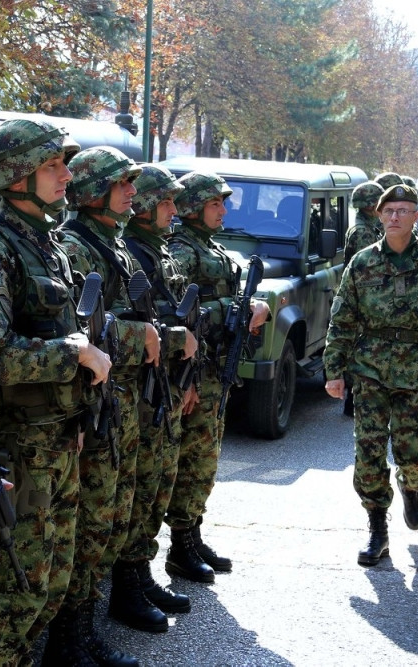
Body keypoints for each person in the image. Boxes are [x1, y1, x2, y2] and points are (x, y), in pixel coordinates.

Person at [0, 118, 112, 666]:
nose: (66, 175)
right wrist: (76, 354)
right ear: (17, 175)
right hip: (19, 446)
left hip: (57, 440)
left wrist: (78, 419)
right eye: (52, 165)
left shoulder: (46, 244)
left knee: (51, 583)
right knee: (13, 592)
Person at [48, 146, 159, 662]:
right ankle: (71, 639)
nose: (132, 192)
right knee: (89, 524)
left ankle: (87, 629)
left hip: (115, 400)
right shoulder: (76, 244)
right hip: (88, 405)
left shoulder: (110, 243)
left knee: (108, 516)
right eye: (122, 184)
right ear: (96, 192)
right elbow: (86, 329)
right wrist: (147, 336)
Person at [323, 184, 418, 567]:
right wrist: (334, 370)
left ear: (416, 216)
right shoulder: (362, 263)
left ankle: (411, 487)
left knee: (415, 455)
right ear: (379, 216)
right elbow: (343, 318)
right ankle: (377, 525)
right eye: (389, 210)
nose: (395, 216)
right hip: (371, 370)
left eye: (403, 210)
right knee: (369, 449)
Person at [165, 172, 270, 582]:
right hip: (198, 368)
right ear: (192, 207)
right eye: (215, 204)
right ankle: (180, 543)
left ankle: (191, 534)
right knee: (192, 458)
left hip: (215, 368)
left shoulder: (206, 245)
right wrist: (239, 307)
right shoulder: (181, 249)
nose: (223, 210)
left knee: (205, 459)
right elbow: (181, 315)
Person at [117, 164, 198, 619]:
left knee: (154, 486)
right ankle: (127, 584)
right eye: (165, 202)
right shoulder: (131, 250)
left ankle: (140, 574)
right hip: (137, 391)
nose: (174, 210)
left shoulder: (152, 251)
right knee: (137, 490)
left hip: (159, 387)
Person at [340, 180, 385, 417]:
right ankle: (353, 401)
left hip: (361, 296)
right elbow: (369, 271)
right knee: (359, 349)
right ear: (370, 206)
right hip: (362, 298)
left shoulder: (369, 227)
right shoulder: (363, 233)